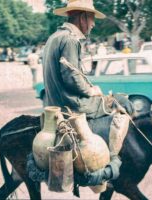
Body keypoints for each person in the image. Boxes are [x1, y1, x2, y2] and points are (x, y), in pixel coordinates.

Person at [42, 0, 134, 187]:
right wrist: (91, 90)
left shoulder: (55, 36)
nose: (93, 24)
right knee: (122, 103)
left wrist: (92, 89)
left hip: (56, 100)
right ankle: (110, 163)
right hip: (72, 104)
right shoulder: (70, 40)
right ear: (82, 17)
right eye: (92, 19)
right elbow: (71, 78)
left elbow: (72, 73)